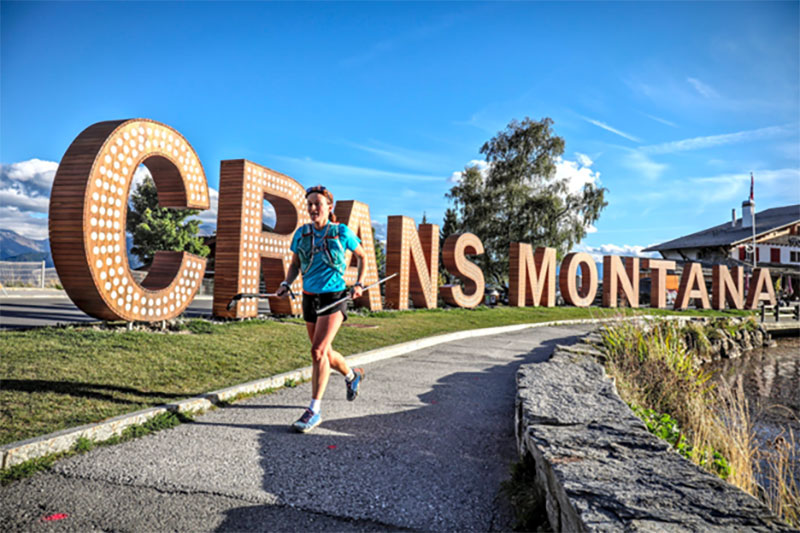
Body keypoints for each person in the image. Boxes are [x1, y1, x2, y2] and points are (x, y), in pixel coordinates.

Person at [276, 185, 368, 433]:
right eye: (310, 204)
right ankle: (352, 375)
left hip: (334, 297)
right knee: (324, 352)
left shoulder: (341, 232)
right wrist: (286, 283)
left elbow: (363, 256)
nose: (313, 208)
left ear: (329, 206)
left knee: (317, 351)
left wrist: (359, 283)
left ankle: (314, 410)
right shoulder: (301, 234)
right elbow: (295, 264)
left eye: (318, 203)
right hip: (309, 297)